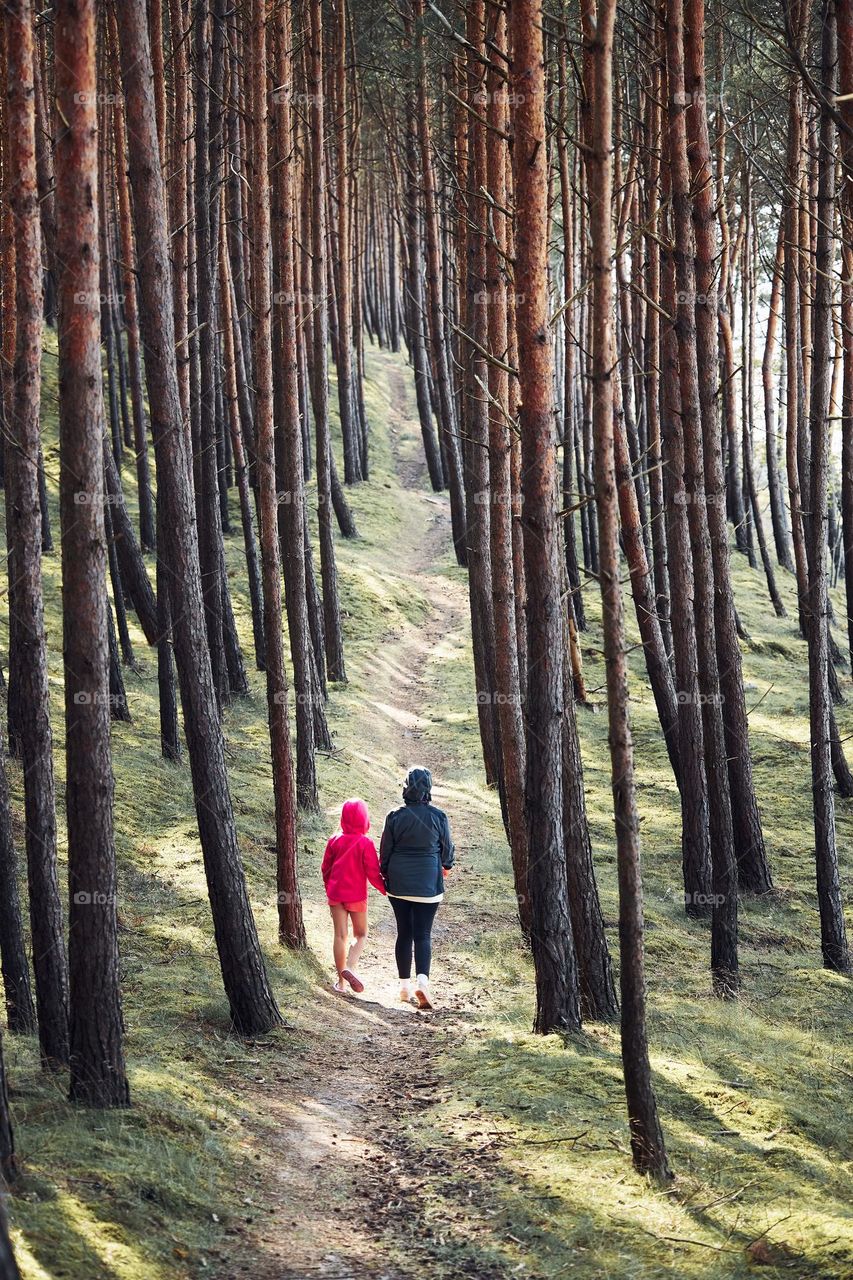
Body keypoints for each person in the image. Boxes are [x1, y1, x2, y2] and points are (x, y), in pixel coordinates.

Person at [380, 767, 455, 1009]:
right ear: (428, 789)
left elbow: (385, 851)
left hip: (399, 883)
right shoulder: (438, 816)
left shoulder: (394, 816)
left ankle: (404, 987)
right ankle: (422, 984)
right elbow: (447, 850)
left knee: (404, 933)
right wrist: (446, 866)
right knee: (422, 934)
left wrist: (386, 873)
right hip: (428, 884)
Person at [321, 798, 386, 993]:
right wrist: (384, 889)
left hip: (336, 894)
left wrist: (329, 887)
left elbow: (325, 868)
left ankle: (341, 983)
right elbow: (373, 872)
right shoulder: (365, 842)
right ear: (364, 819)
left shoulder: (334, 840)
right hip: (356, 896)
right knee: (361, 934)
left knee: (340, 935)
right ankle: (350, 966)